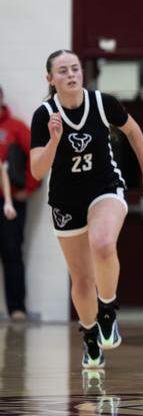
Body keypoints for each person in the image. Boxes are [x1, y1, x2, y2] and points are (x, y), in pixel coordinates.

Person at [30, 49, 143, 368]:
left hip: (105, 188)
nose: (71, 74)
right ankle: (90, 337)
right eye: (63, 71)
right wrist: (55, 141)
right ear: (51, 79)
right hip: (66, 200)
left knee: (102, 244)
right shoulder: (44, 115)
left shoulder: (103, 103)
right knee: (82, 278)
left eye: (75, 68)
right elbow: (35, 170)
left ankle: (108, 311)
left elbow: (133, 130)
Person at [0, 85, 40, 321]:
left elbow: (37, 160)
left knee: (12, 252)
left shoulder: (16, 128)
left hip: (11, 202)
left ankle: (17, 309)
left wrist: (28, 188)